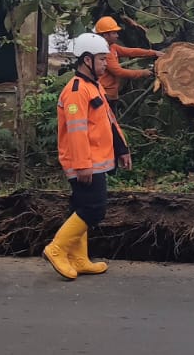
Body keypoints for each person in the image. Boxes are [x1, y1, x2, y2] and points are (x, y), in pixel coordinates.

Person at [42, 32, 132, 281]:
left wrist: (122, 149)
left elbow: (109, 121)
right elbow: (77, 132)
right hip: (85, 164)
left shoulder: (94, 87)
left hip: (97, 161)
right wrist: (82, 166)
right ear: (86, 60)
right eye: (102, 59)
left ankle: (79, 259)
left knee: (82, 207)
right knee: (94, 210)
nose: (106, 64)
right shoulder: (75, 91)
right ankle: (57, 249)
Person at [94, 16, 159, 113]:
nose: (117, 36)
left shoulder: (113, 47)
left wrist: (153, 52)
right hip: (104, 94)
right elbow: (118, 72)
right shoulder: (104, 52)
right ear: (105, 35)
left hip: (111, 94)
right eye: (114, 33)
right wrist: (142, 73)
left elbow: (131, 51)